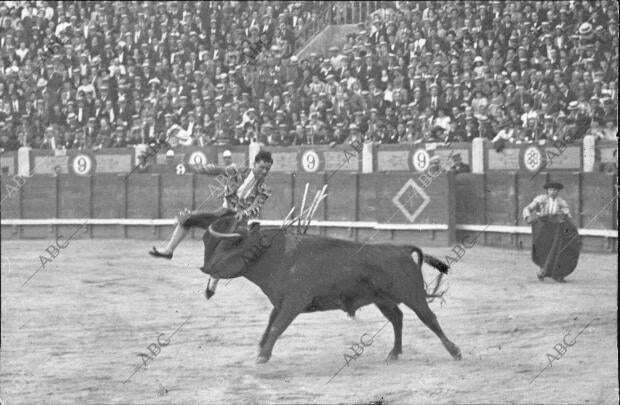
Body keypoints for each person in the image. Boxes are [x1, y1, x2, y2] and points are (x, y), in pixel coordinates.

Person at [149, 150, 274, 297]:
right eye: (262, 167)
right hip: (223, 213)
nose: (264, 171)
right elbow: (214, 169)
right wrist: (194, 168)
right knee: (188, 219)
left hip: (238, 222)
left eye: (267, 169)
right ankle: (169, 250)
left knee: (222, 252)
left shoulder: (265, 189)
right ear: (254, 164)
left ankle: (212, 284)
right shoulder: (237, 171)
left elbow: (256, 207)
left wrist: (244, 213)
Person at [522, 182, 579, 282]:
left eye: (555, 190)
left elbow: (568, 216)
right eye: (551, 189)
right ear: (547, 190)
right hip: (542, 228)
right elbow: (527, 208)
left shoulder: (561, 202)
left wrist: (572, 227)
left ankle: (558, 274)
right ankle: (542, 271)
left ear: (558, 191)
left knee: (558, 250)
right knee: (543, 250)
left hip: (556, 229)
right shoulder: (540, 199)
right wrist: (527, 217)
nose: (553, 192)